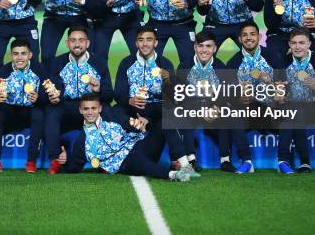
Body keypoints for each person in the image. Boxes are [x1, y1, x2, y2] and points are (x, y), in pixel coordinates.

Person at [114, 25, 199, 178]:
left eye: (149, 40)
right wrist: (130, 100)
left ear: (156, 43)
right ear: (136, 43)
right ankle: (183, 162)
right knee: (115, 110)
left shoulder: (165, 63)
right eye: (141, 40)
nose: (144, 44)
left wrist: (168, 80)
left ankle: (186, 165)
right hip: (133, 109)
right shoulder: (126, 63)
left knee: (169, 115)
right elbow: (118, 93)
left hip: (157, 108)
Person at [62, 94, 190, 181]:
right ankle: (175, 175)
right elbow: (73, 167)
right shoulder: (81, 141)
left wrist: (139, 124)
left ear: (100, 108)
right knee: (140, 163)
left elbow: (128, 122)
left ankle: (186, 167)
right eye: (86, 109)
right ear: (80, 110)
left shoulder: (111, 115)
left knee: (165, 122)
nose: (90, 112)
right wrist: (64, 160)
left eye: (93, 108)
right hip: (125, 163)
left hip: (141, 146)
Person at [44, 26, 113, 174]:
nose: (77, 44)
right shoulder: (57, 62)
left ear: (87, 43)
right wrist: (54, 97)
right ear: (67, 43)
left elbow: (109, 95)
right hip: (66, 106)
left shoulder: (99, 62)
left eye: (81, 40)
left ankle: (105, 159)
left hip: (89, 107)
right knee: (51, 112)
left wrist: (98, 90)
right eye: (73, 40)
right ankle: (55, 159)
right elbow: (49, 91)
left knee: (107, 110)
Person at [275, 27, 315, 174]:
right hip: (295, 105)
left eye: (301, 43)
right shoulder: (284, 61)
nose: (297, 47)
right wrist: (279, 95)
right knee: (296, 114)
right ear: (289, 45)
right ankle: (305, 162)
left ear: (309, 44)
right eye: (294, 43)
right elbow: (279, 88)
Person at [225, 20, 282, 174]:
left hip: (271, 109)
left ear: (259, 36)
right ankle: (247, 161)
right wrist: (238, 98)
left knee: (290, 111)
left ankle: (283, 161)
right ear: (239, 39)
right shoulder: (233, 63)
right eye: (244, 35)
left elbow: (283, 87)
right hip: (248, 111)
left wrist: (273, 86)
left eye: (252, 34)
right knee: (233, 113)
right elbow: (229, 94)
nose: (248, 38)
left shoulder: (273, 56)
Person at [0, 39, 48, 173]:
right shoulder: (2, 72)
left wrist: (39, 97)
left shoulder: (40, 69)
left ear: (30, 55)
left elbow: (49, 95)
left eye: (23, 53)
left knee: (38, 113)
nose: (19, 58)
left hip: (30, 110)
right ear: (10, 55)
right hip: (10, 111)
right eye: (16, 54)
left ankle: (31, 162)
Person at [177, 31, 228, 172]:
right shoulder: (185, 66)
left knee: (228, 115)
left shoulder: (221, 67)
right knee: (183, 115)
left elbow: (225, 95)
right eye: (200, 46)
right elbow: (180, 96)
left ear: (214, 48)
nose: (204, 50)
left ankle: (225, 159)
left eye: (208, 46)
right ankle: (191, 159)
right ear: (194, 47)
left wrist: (216, 107)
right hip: (192, 109)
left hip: (213, 110)